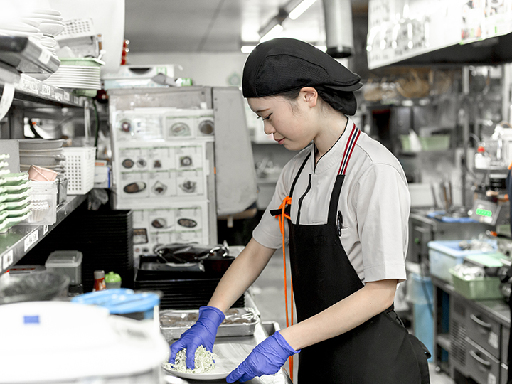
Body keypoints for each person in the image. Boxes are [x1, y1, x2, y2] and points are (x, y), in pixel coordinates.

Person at [168, 38, 431, 384]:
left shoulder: (373, 170)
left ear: (308, 97)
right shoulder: (296, 172)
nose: (266, 128)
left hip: (373, 367)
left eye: (269, 116)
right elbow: (257, 250)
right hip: (318, 357)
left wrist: (284, 341)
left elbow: (381, 291)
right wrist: (212, 314)